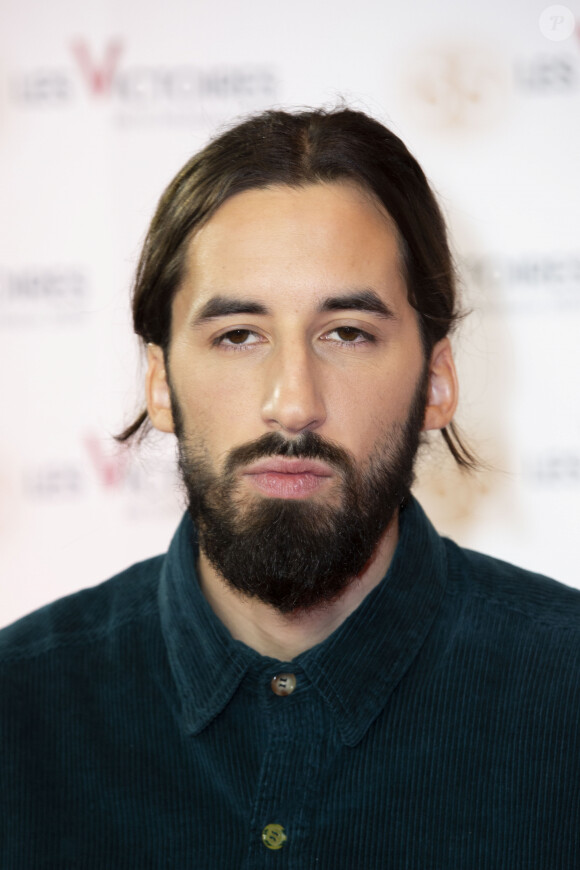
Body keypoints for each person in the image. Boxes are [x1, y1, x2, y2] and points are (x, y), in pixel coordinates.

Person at [1, 107, 579, 869]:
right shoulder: (19, 711)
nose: (293, 401)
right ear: (160, 382)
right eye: (238, 335)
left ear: (436, 382)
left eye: (348, 333)